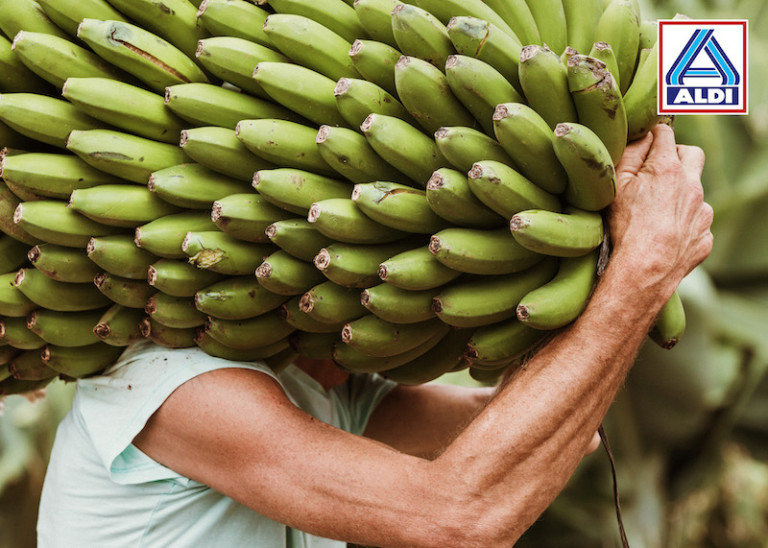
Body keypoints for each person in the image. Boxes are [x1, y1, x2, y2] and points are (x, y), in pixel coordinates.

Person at [36, 125, 713, 547]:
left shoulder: (317, 390)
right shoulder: (177, 389)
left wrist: (562, 262)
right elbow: (455, 519)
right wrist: (643, 268)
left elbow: (551, 430)